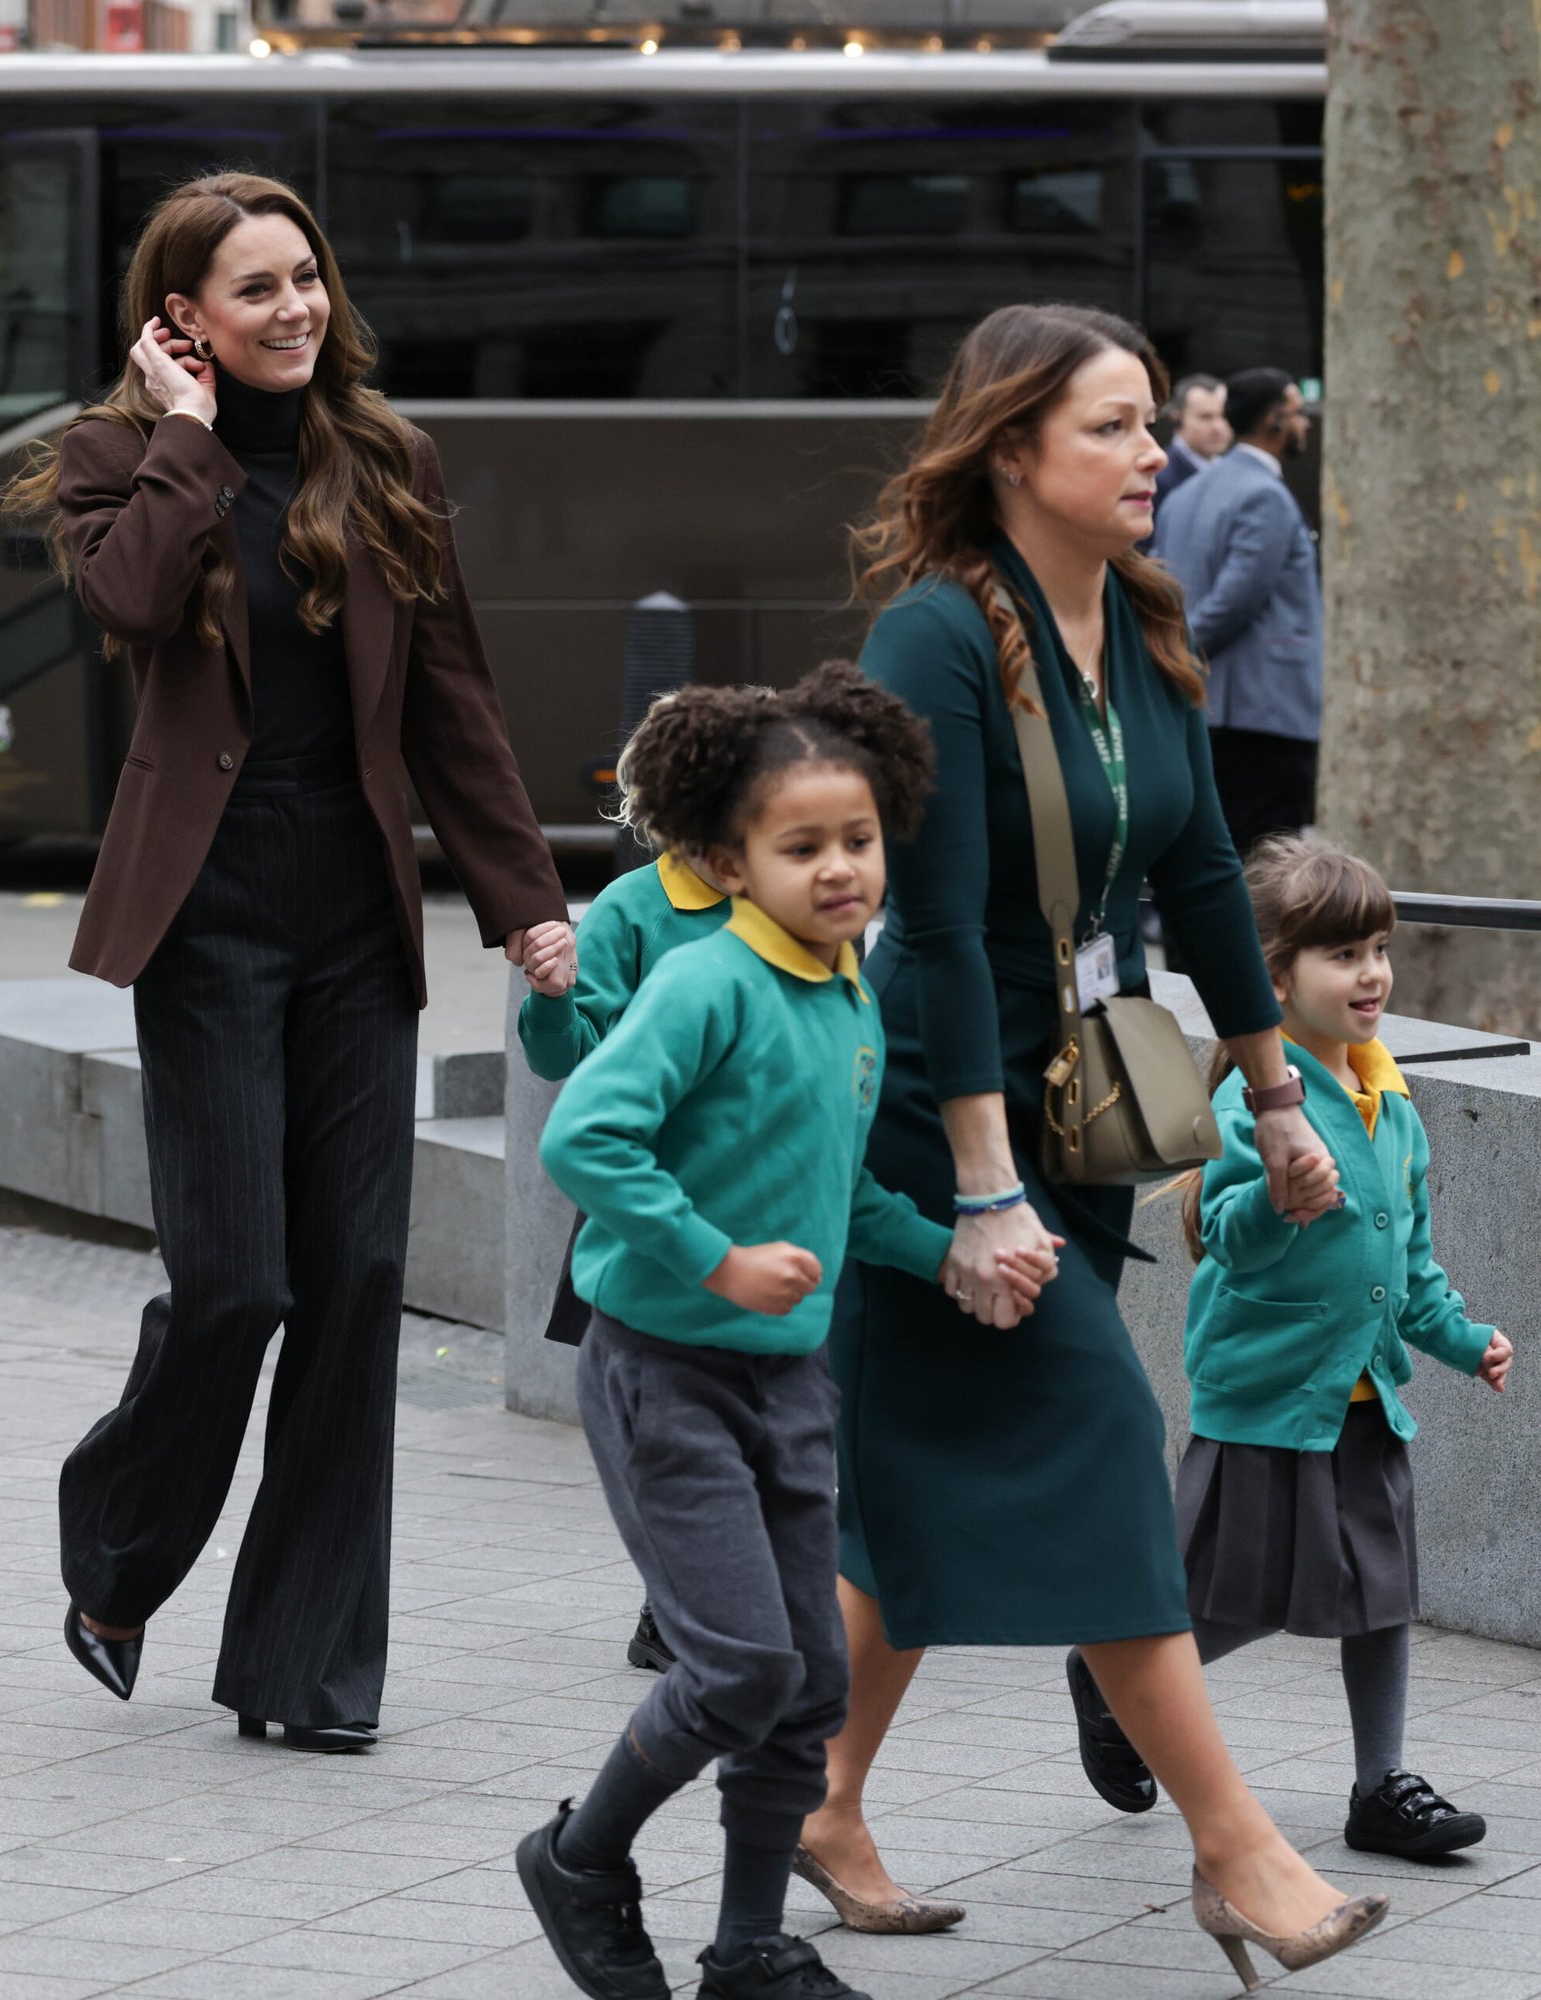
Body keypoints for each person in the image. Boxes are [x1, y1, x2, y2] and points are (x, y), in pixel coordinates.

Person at [799, 304, 1388, 1993]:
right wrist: (980, 1190)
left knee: (909, 1487)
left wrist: (1278, 1099)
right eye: (1120, 430)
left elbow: (1203, 873)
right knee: (1109, 1434)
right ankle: (1237, 1851)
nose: (1159, 455)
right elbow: (934, 932)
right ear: (1010, 453)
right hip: (935, 1125)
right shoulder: (933, 641)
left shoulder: (1132, 618)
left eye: (1153, 425)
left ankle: (822, 1805)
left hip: (1074, 1107)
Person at [3, 171, 566, 1746]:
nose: (298, 308)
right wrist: (185, 436)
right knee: (240, 1281)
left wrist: (527, 901)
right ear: (182, 316)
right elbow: (124, 602)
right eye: (256, 289)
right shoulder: (118, 458)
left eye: (306, 278)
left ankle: (306, 1666)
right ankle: (118, 1550)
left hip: (353, 914)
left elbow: (455, 697)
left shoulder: (389, 459)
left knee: (360, 1281)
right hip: (209, 914)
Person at [517, 663, 1013, 2000]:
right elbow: (585, 1133)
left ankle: (746, 1951)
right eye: (804, 848)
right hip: (664, 1372)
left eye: (859, 841)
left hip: (788, 1382)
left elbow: (843, 1189)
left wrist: (952, 1252)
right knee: (736, 1665)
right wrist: (715, 1260)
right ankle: (580, 1853)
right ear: (731, 861)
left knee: (802, 1689)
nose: (842, 869)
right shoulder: (707, 986)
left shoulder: (844, 994)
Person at [1084, 836, 1512, 1864]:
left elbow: (1408, 1262)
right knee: (1246, 1599)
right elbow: (1221, 1236)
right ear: (1273, 977)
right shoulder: (1251, 1101)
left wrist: (1462, 1338)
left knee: (1383, 1592)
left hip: (1363, 1395)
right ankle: (1111, 1679)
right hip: (1269, 1398)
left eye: (1377, 948)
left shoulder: (1390, 1100)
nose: (1371, 974)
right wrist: (1280, 1197)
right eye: (1341, 955)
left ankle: (1380, 1785)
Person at [517, 690, 742, 1679]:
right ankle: (674, 1599)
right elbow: (568, 1048)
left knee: (759, 1406)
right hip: (662, 1204)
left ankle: (725, 1589)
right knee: (675, 1411)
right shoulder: (635, 910)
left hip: (774, 1191)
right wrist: (554, 995)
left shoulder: (794, 894)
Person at [1150, 367, 1322, 854]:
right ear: (1272, 421)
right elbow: (1234, 599)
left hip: (1206, 707)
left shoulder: (1182, 496)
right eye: (1297, 413)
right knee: (1262, 868)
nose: (1304, 424)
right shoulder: (1265, 494)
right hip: (1263, 712)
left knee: (1206, 857)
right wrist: (1178, 647)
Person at [1149, 373, 1229, 518]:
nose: (1218, 427)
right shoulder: (1158, 478)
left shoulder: (1231, 472)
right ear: (1177, 418)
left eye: (1224, 416)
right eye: (1205, 417)